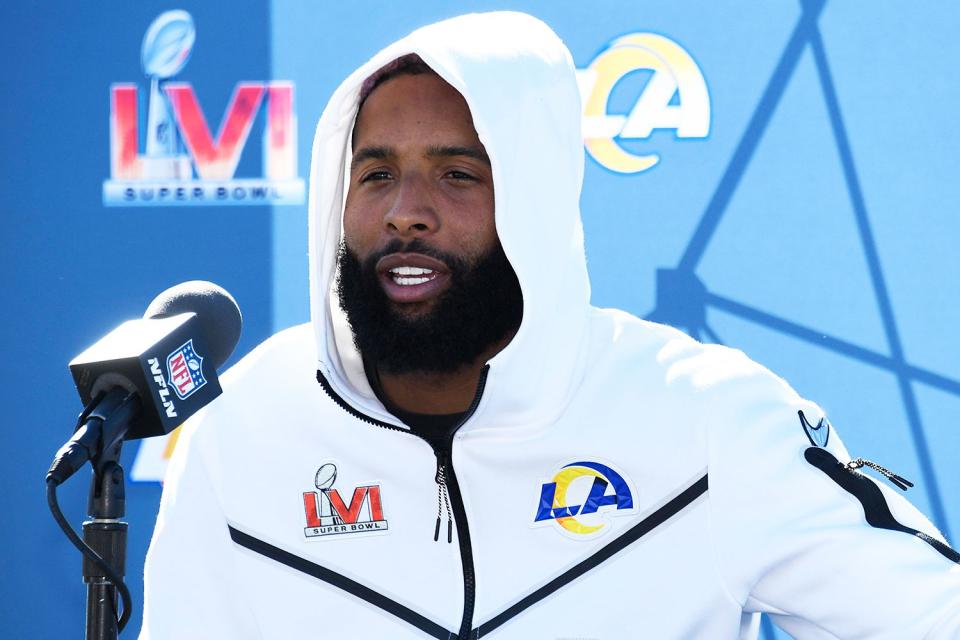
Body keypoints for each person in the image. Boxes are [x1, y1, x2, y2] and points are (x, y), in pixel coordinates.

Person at [140, 11, 960, 639]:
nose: (405, 214)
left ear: (536, 201)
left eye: (458, 174)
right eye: (377, 173)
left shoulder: (706, 416)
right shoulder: (243, 424)